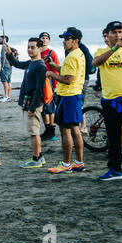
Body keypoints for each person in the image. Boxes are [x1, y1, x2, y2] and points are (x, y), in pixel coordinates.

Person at [46, 28, 86, 174]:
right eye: (63, 38)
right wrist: (54, 66)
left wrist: (51, 74)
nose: (64, 41)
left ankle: (66, 164)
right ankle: (79, 162)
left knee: (65, 131)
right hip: (75, 95)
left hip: (68, 96)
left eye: (67, 38)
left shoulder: (72, 56)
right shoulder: (79, 54)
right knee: (75, 129)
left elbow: (68, 79)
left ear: (75, 41)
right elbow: (68, 71)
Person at [5, 38, 47, 168]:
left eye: (33, 47)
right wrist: (8, 53)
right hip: (27, 101)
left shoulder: (40, 66)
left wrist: (33, 107)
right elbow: (17, 64)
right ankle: (39, 156)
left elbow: (40, 89)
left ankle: (36, 159)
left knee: (34, 132)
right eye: (28, 47)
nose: (29, 49)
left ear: (40, 48)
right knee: (32, 131)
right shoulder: (30, 63)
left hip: (33, 103)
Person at [92, 21, 122, 181]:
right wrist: (114, 49)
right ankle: (115, 170)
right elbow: (96, 63)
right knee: (113, 137)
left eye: (120, 32)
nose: (118, 35)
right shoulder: (102, 51)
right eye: (114, 32)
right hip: (110, 100)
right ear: (108, 35)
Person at [40, 32, 60, 141]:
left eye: (46, 38)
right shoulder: (38, 52)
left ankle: (52, 131)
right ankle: (47, 129)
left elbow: (56, 70)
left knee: (50, 107)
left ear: (49, 40)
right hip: (40, 82)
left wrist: (55, 86)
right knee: (43, 108)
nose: (44, 40)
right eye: (42, 38)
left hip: (50, 82)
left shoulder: (51, 53)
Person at [0, 36, 15, 102]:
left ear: (4, 40)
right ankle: (8, 96)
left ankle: (6, 96)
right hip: (10, 66)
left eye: (0, 39)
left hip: (5, 66)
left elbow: (3, 57)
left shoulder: (4, 46)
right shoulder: (9, 46)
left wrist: (2, 66)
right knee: (8, 81)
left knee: (4, 81)